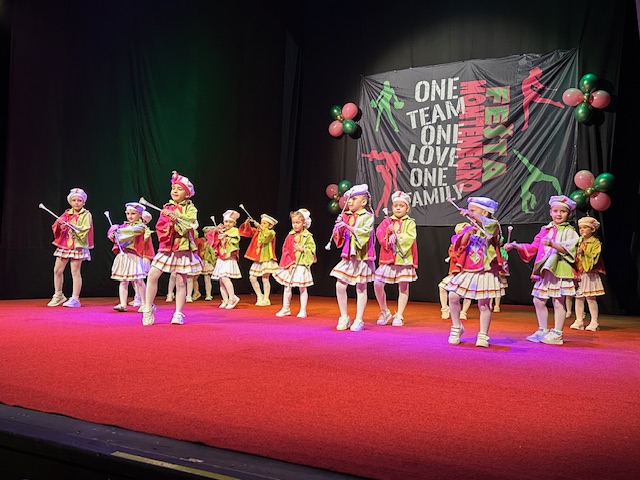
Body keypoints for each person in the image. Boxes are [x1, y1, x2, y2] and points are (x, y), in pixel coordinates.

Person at [505, 195, 579, 345]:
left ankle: (557, 333)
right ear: (550, 212)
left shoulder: (569, 231)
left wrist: (552, 244)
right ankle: (543, 329)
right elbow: (534, 247)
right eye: (555, 211)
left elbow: (571, 249)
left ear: (568, 214)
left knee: (558, 301)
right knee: (538, 300)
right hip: (545, 270)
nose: (559, 214)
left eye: (563, 211)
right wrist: (515, 245)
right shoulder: (545, 230)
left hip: (559, 269)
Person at [141, 171, 202, 326]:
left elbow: (191, 224)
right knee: (153, 274)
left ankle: (178, 313)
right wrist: (169, 222)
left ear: (187, 194)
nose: (175, 191)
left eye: (179, 189)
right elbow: (160, 226)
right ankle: (148, 307)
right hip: (167, 247)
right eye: (173, 188)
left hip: (182, 248)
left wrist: (178, 218)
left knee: (181, 281)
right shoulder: (166, 208)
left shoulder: (191, 209)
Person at [444, 197, 506, 347]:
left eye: (473, 210)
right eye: (469, 210)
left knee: (484, 303)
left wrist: (473, 216)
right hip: (468, 268)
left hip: (486, 270)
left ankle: (483, 335)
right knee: (453, 295)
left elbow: (491, 229)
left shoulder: (493, 225)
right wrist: (467, 233)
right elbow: (460, 245)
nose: (469, 213)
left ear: (484, 212)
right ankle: (456, 327)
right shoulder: (470, 227)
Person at [330, 184, 376, 331]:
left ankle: (359, 319)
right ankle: (344, 316)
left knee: (361, 287)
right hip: (348, 256)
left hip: (362, 257)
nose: (349, 201)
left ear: (363, 201)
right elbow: (340, 239)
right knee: (340, 284)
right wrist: (338, 228)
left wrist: (347, 226)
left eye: (354, 199)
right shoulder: (346, 216)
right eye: (349, 199)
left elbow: (364, 233)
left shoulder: (368, 217)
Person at [374, 191, 418, 326]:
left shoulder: (410, 223)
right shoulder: (387, 221)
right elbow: (379, 234)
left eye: (401, 206)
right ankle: (384, 311)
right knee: (377, 283)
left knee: (403, 285)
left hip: (403, 258)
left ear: (407, 208)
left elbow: (410, 237)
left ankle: (399, 314)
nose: (398, 208)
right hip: (388, 257)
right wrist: (387, 233)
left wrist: (397, 236)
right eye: (395, 206)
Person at [47, 187, 94, 307]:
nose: (76, 203)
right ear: (70, 201)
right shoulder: (67, 213)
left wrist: (73, 226)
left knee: (75, 271)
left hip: (77, 245)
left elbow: (86, 228)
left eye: (79, 200)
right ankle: (58, 295)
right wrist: (60, 225)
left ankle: (75, 298)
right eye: (74, 200)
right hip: (65, 244)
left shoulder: (86, 214)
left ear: (84, 202)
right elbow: (57, 227)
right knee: (57, 270)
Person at [107, 202, 155, 312]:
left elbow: (130, 232)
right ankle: (123, 304)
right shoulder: (124, 226)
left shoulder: (141, 226)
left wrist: (117, 230)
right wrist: (112, 234)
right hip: (124, 256)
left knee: (139, 281)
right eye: (128, 213)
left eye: (133, 213)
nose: (130, 216)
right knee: (123, 281)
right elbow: (116, 238)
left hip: (135, 256)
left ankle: (144, 303)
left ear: (140, 214)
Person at [273, 209, 316, 317]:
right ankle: (286, 308)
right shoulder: (290, 236)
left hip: (302, 265)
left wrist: (303, 249)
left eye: (298, 222)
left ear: (304, 223)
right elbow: (285, 250)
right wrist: (290, 264)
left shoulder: (308, 236)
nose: (295, 225)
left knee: (302, 288)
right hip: (291, 265)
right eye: (293, 223)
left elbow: (312, 250)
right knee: (287, 286)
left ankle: (303, 310)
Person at [571, 216, 606, 331]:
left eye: (585, 227)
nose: (582, 230)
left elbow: (595, 258)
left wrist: (584, 253)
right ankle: (579, 320)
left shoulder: (595, 243)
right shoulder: (578, 241)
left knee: (590, 298)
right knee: (578, 297)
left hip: (589, 273)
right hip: (579, 273)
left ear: (592, 229)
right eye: (580, 228)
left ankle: (594, 321)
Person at [239, 213, 279, 306]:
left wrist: (260, 228)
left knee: (265, 278)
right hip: (258, 259)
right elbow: (247, 232)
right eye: (261, 223)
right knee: (252, 277)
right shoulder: (257, 232)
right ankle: (259, 296)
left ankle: (266, 298)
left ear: (270, 226)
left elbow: (266, 237)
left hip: (266, 258)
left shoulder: (271, 233)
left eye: (264, 223)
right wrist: (247, 223)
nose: (262, 225)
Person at [207, 209, 242, 309]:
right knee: (221, 281)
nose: (228, 224)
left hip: (229, 258)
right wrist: (216, 230)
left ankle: (232, 298)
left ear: (234, 223)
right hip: (221, 258)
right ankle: (225, 300)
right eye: (226, 221)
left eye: (230, 222)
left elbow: (235, 236)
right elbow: (211, 237)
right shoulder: (221, 231)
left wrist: (225, 235)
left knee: (225, 278)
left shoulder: (234, 231)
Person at [438, 222, 472, 321]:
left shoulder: (471, 246)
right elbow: (454, 257)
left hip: (467, 272)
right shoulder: (453, 246)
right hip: (456, 273)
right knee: (442, 287)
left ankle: (463, 312)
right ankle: (445, 309)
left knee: (468, 293)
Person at [129, 210, 153, 308]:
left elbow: (143, 241)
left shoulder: (144, 229)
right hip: (136, 255)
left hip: (143, 256)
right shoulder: (133, 227)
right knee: (134, 279)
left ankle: (142, 299)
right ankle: (137, 296)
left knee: (139, 279)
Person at [198, 226, 217, 301]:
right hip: (205, 261)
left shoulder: (214, 241)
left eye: (208, 232)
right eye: (205, 233)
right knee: (206, 278)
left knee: (221, 279)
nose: (206, 234)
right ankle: (208, 294)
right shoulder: (202, 241)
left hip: (213, 261)